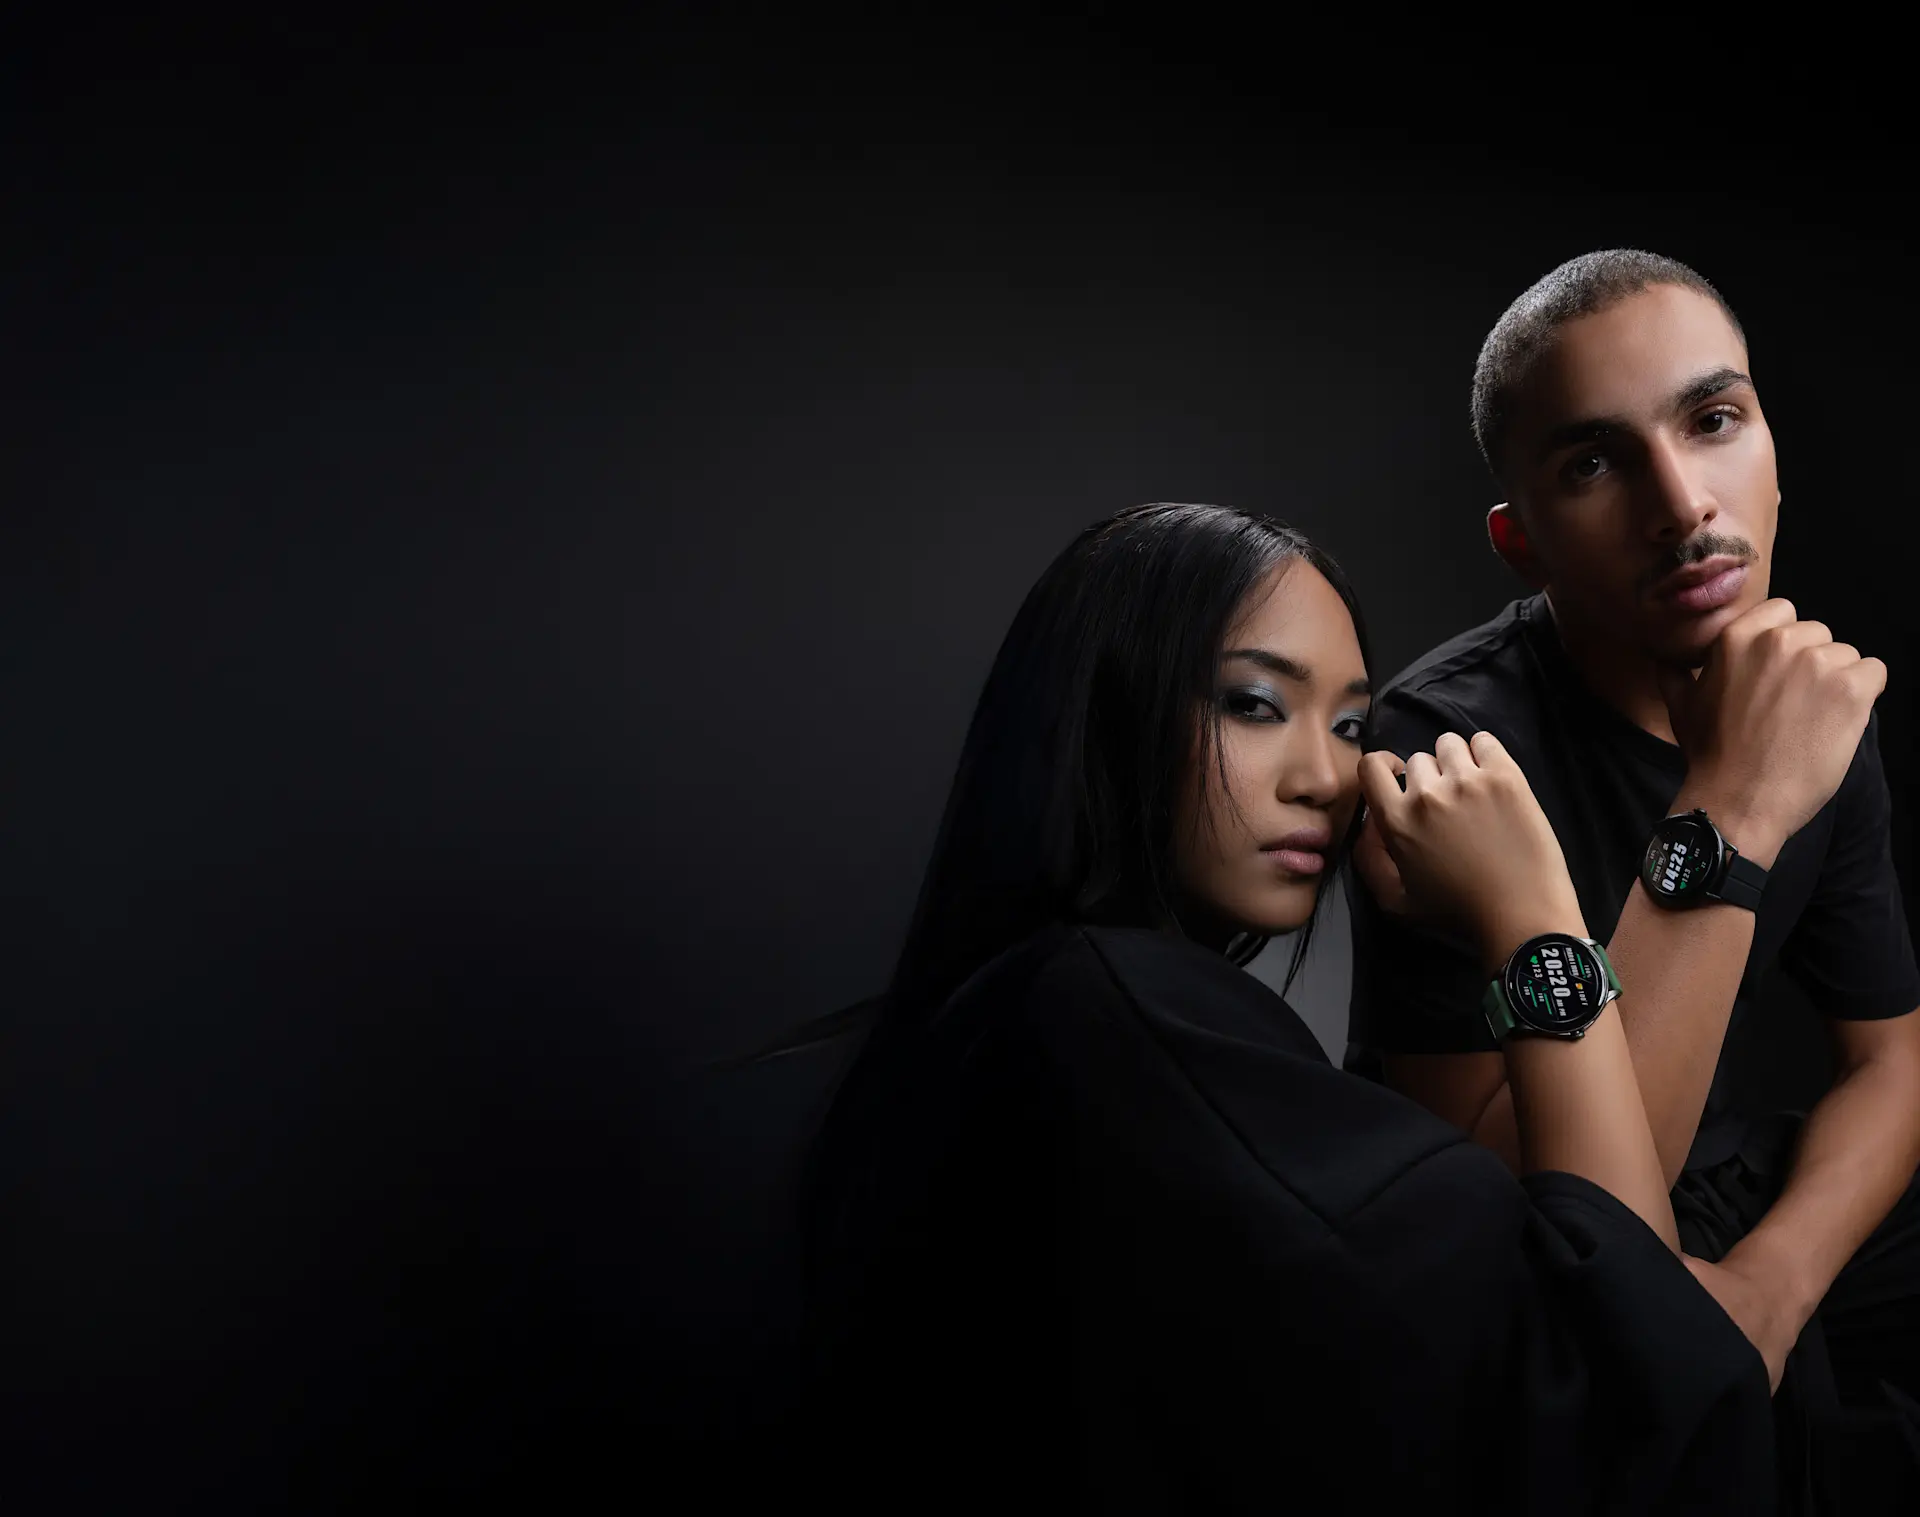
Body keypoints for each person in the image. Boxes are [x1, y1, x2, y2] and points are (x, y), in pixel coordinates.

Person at [799, 501, 1775, 1514]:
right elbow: (1634, 1378)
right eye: (1256, 703)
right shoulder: (1113, 1018)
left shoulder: (1043, 1014)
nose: (1327, 776)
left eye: (1353, 724)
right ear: (1113, 707)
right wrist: (1533, 914)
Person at [1346, 250, 1920, 1512]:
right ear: (1522, 540)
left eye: (1713, 421)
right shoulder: (1442, 750)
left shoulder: (1815, 702)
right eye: (1595, 463)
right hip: (1508, 1231)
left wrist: (1775, 1282)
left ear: (1771, 447)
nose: (1681, 504)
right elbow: (1548, 1233)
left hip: (1728, 1185)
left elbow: (1891, 1063)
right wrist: (1733, 804)